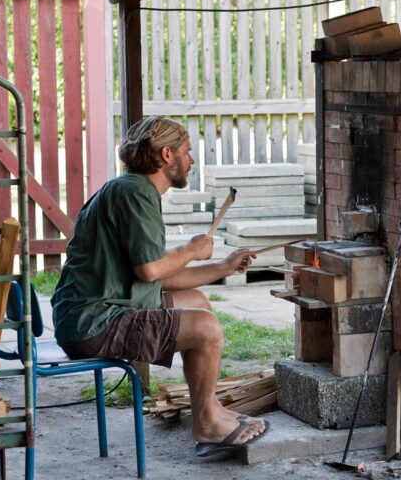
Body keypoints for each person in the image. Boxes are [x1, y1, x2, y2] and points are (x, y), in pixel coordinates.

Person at [51, 116, 267, 459]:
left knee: (196, 303)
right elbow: (151, 270)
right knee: (206, 328)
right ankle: (208, 426)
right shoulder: (136, 193)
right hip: (93, 322)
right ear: (167, 155)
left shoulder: (130, 189)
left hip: (97, 312)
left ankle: (206, 409)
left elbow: (156, 276)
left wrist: (222, 267)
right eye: (187, 152)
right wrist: (192, 250)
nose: (192, 161)